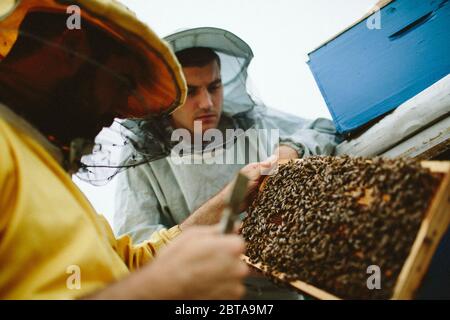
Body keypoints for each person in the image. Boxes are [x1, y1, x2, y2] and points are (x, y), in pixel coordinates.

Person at [0, 0, 269, 299]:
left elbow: (129, 264)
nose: (119, 109)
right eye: (120, 81)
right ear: (70, 50)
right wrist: (164, 287)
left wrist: (225, 202)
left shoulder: (47, 169)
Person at [113, 27, 339, 243]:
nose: (207, 103)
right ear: (164, 97)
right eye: (190, 92)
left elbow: (324, 128)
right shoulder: (141, 155)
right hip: (211, 277)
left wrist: (290, 149)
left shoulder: (251, 121)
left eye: (214, 87)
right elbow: (137, 239)